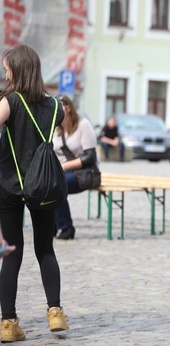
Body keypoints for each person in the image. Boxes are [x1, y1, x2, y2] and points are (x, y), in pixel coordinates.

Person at [0, 44, 69, 343]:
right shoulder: (56, 106)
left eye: (6, 69)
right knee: (46, 250)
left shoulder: (10, 101)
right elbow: (56, 128)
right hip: (43, 186)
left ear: (17, 69)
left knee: (12, 254)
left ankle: (8, 322)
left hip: (10, 186)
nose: (5, 73)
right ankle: (55, 312)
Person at [53, 95, 98, 240]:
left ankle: (66, 227)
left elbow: (90, 157)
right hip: (61, 172)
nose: (56, 111)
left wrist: (65, 166)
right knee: (44, 185)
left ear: (68, 108)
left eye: (59, 107)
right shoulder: (55, 127)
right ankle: (50, 226)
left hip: (84, 172)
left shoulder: (83, 125)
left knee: (57, 185)